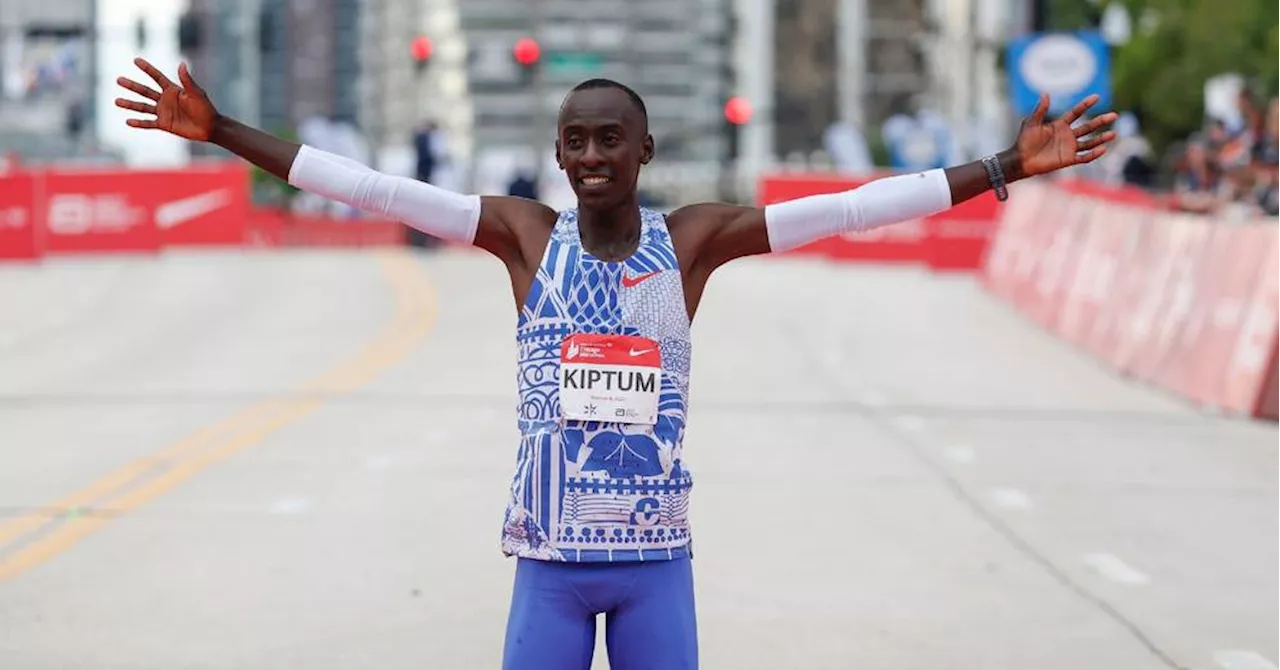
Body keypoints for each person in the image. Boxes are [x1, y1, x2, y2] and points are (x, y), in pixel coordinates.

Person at [114, 57, 1117, 670]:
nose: (590, 154)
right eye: (574, 141)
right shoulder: (519, 236)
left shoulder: (691, 242)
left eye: (609, 139)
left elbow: (852, 208)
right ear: (558, 154)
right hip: (547, 571)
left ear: (642, 149)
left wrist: (1004, 166)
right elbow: (370, 187)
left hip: (653, 571)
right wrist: (222, 136)